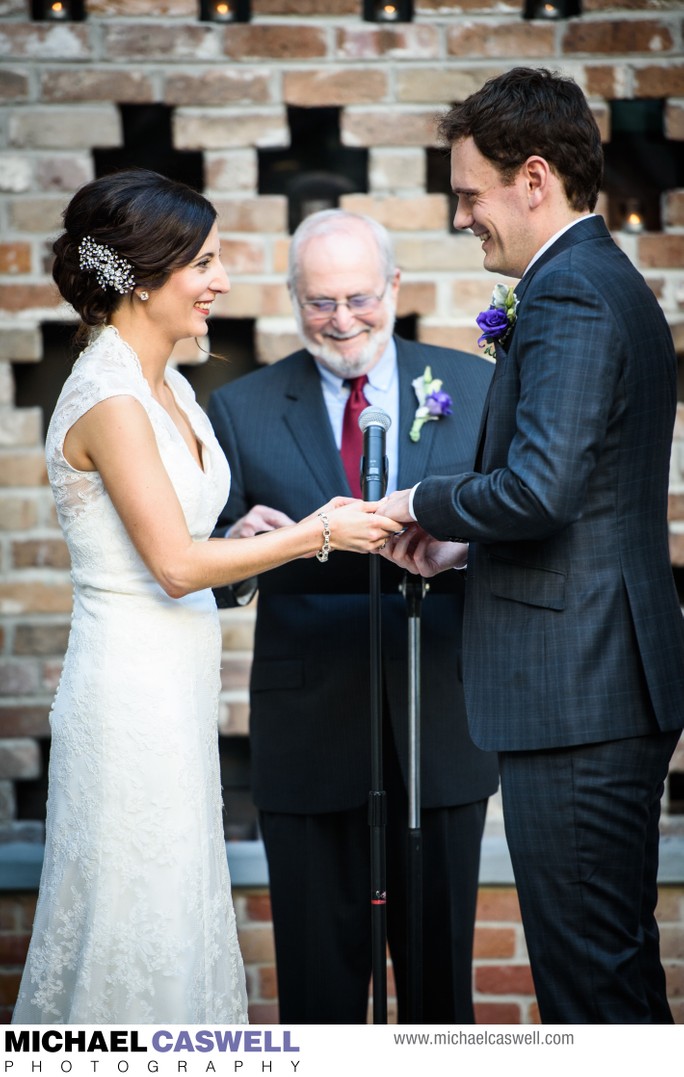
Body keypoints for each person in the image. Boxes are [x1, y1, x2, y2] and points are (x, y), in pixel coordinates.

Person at [12, 171, 400, 1025]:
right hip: (130, 695)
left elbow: (189, 534)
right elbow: (176, 567)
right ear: (144, 277)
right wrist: (318, 530)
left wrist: (248, 532)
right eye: (205, 261)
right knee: (133, 913)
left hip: (176, 690)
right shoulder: (112, 396)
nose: (221, 281)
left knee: (175, 908)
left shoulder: (171, 385)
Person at [378, 67, 684, 1023]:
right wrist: (465, 550)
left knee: (589, 980)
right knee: (609, 965)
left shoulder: (573, 294)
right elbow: (578, 497)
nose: (464, 215)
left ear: (535, 177)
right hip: (593, 676)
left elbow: (542, 486)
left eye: (471, 193)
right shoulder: (591, 280)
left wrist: (421, 499)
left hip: (580, 689)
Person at [207, 208, 499, 1024]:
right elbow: (210, 568)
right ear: (293, 299)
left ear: (395, 288)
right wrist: (236, 542)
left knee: (442, 989)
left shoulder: (472, 388)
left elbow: (519, 526)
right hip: (307, 728)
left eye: (360, 298)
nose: (342, 320)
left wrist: (466, 551)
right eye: (320, 302)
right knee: (318, 992)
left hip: (440, 717)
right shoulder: (242, 408)